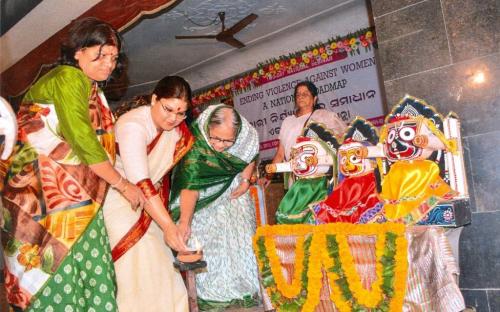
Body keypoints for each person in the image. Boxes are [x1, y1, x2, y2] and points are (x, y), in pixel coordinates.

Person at [0, 17, 145, 311]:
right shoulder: (68, 77)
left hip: (78, 201)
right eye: (101, 55)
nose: (108, 64)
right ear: (78, 51)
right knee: (57, 278)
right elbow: (82, 139)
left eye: (113, 58)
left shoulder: (91, 88)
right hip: (47, 203)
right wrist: (123, 185)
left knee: (92, 275)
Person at [102, 76, 194, 312]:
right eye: (168, 109)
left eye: (181, 113)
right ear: (154, 99)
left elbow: (188, 178)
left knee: (163, 269)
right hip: (123, 203)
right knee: (135, 270)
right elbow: (141, 182)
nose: (173, 118)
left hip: (152, 206)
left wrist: (182, 221)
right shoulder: (133, 125)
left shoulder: (176, 132)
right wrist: (168, 227)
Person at [169, 104, 261, 310]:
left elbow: (251, 151)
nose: (220, 145)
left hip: (234, 191)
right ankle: (213, 295)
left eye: (228, 140)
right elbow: (190, 186)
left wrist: (245, 179)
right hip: (203, 196)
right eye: (216, 138)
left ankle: (244, 288)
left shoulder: (245, 133)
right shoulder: (195, 144)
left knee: (241, 240)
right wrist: (185, 221)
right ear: (207, 130)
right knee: (212, 244)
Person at [260, 80, 346, 188]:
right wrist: (268, 176)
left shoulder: (324, 116)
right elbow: (280, 154)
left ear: (315, 99)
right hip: (294, 177)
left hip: (318, 178)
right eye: (298, 94)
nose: (300, 97)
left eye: (305, 94)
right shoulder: (288, 121)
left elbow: (343, 138)